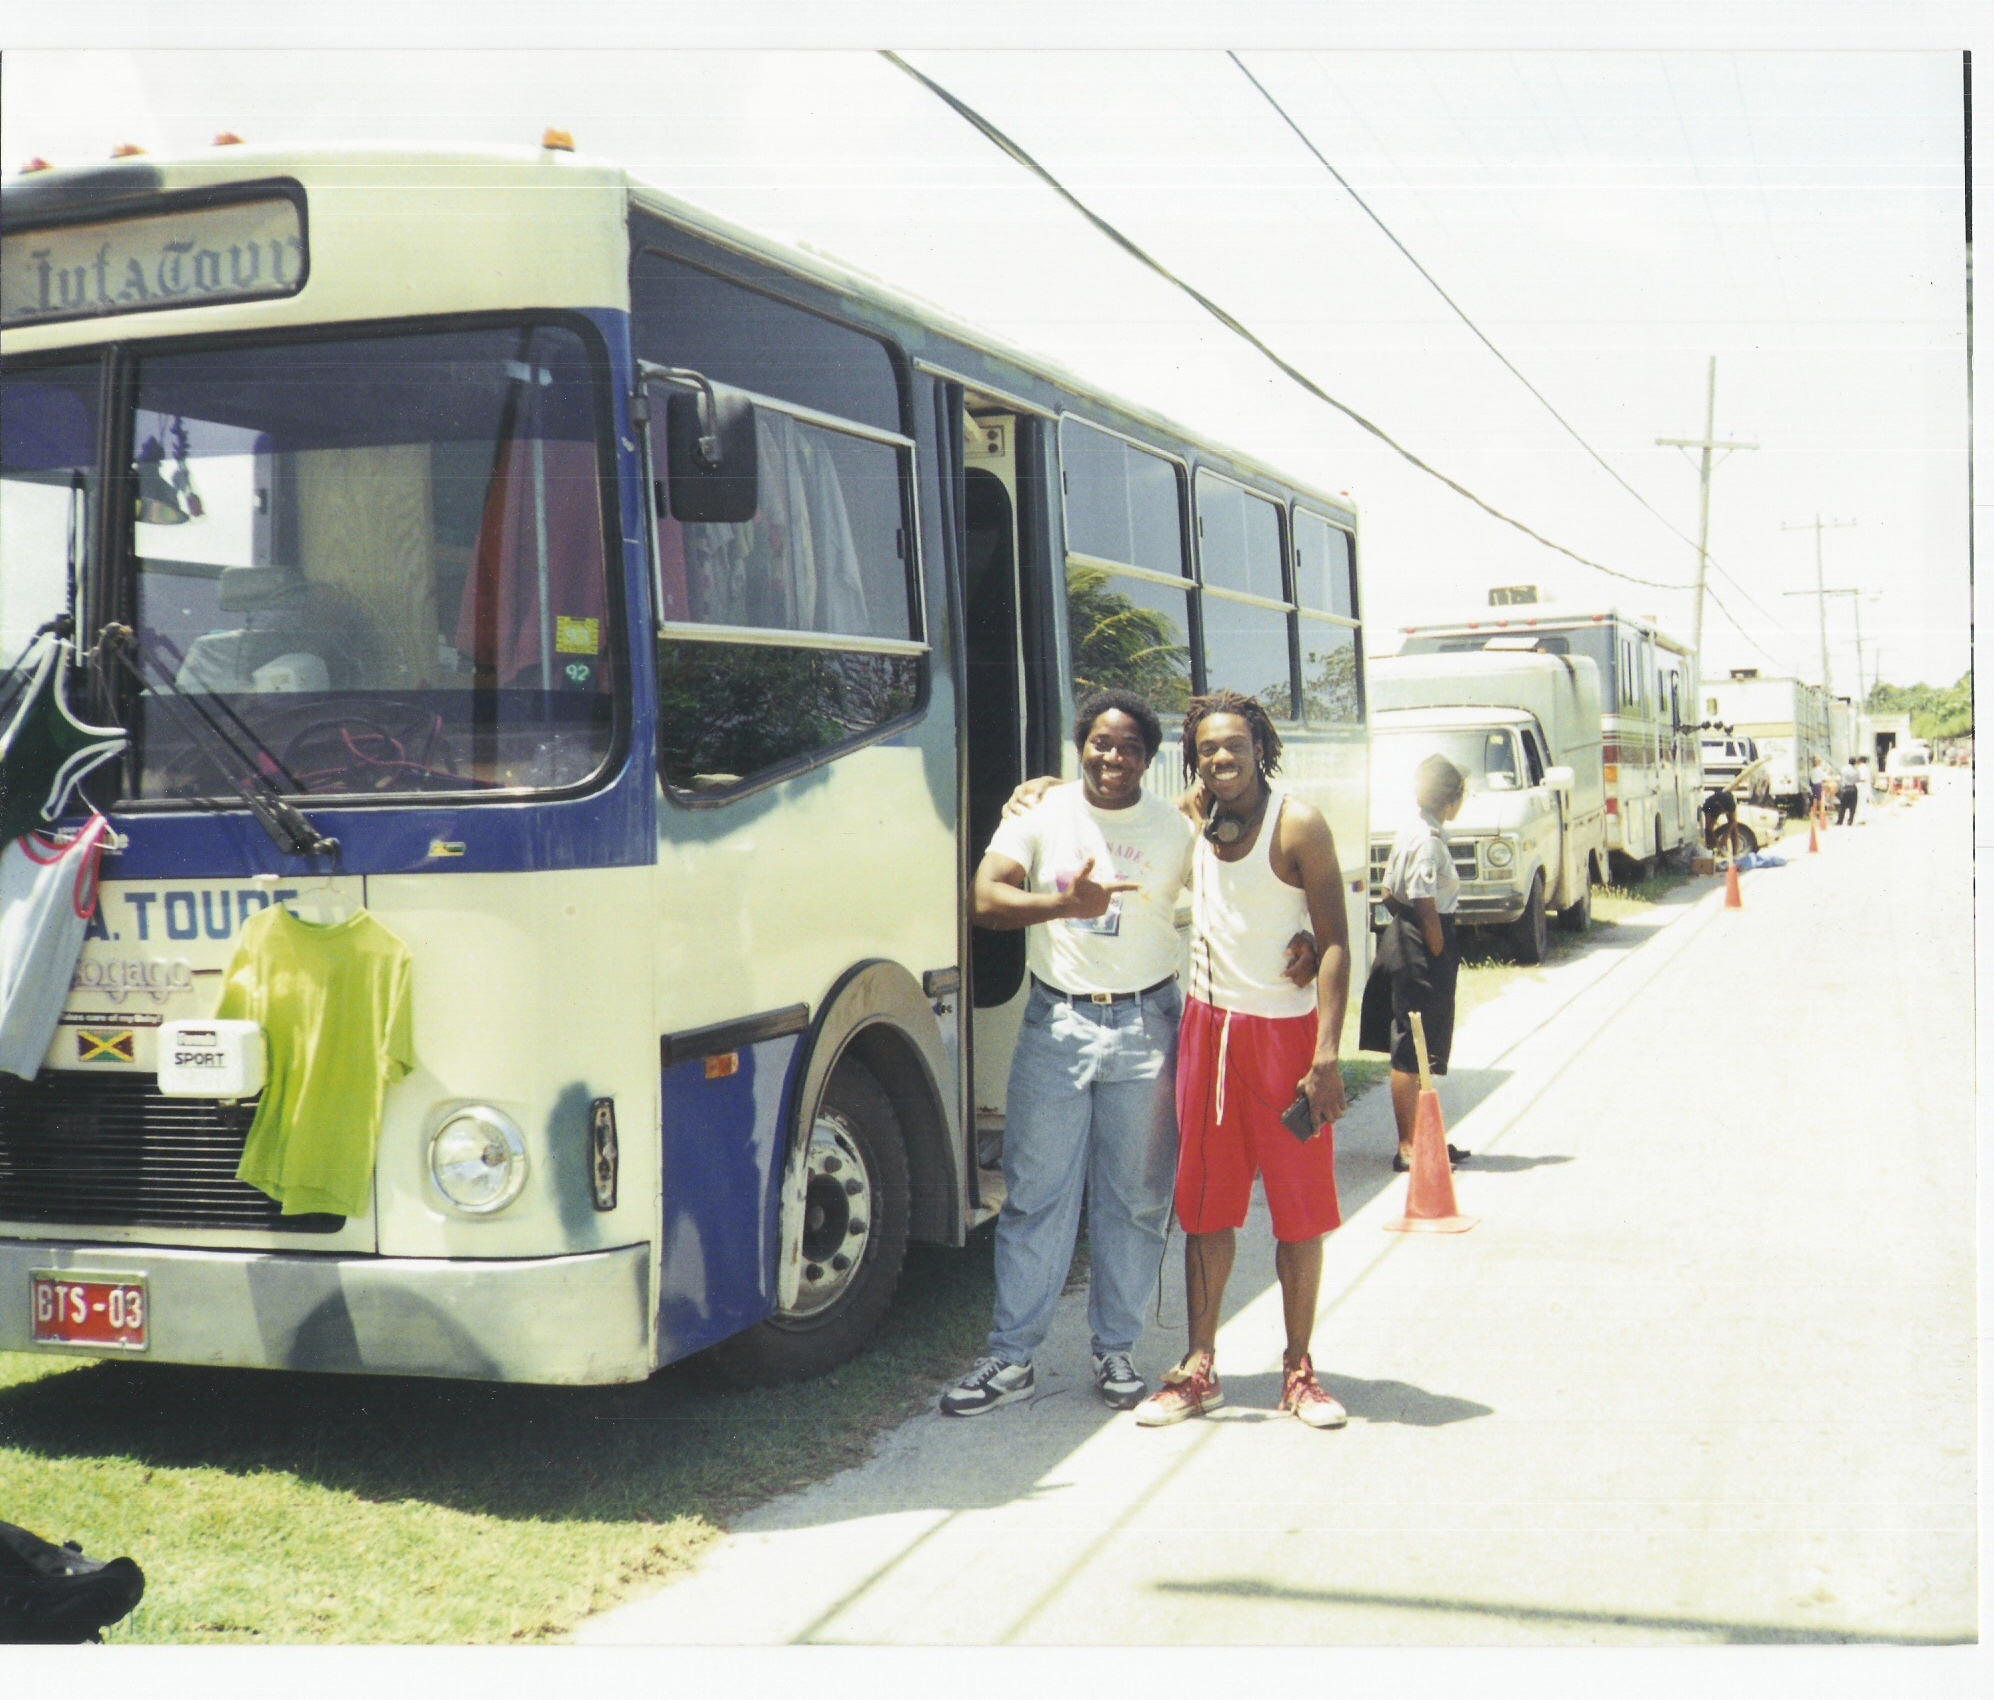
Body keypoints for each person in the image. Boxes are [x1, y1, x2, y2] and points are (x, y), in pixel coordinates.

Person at [941, 691, 1315, 1417]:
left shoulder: (1180, 829)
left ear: (1152, 760)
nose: (1113, 758)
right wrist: (1063, 907)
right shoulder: (1041, 814)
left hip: (1149, 1027)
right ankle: (1011, 1358)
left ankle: (1116, 1349)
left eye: (1130, 749)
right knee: (1035, 1199)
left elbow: (1251, 885)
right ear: (1079, 745)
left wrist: (1301, 934)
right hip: (1057, 1026)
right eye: (1101, 744)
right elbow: (985, 899)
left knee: (1136, 1202)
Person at [1132, 691, 1354, 1432]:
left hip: (1287, 1044)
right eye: (1206, 749)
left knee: (1298, 1213)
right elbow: (1101, 806)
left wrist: (1326, 1056)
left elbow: (1334, 943)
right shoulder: (1189, 819)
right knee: (1206, 1208)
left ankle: (1298, 1370)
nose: (1221, 758)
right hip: (1210, 1034)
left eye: (1234, 745)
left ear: (1260, 745)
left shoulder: (1298, 824)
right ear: (1192, 758)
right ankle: (1199, 1366)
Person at [1366, 755, 1469, 1175]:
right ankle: (1408, 1144)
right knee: (1412, 1048)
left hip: (1405, 936)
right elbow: (1424, 899)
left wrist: (1409, 925)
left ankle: (1426, 1137)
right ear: (1452, 798)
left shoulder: (1412, 829)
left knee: (1422, 1047)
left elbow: (1389, 892)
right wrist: (1437, 947)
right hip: (1422, 945)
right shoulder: (1427, 839)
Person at [1701, 784, 1740, 859]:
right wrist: (1717, 843)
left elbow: (1732, 822)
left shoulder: (1730, 803)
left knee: (1734, 829)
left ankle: (1735, 855)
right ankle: (1711, 853)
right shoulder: (1708, 805)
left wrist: (1725, 836)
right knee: (1708, 832)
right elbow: (1708, 827)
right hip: (1712, 807)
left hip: (1727, 801)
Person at [1836, 757, 1859, 826]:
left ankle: (1840, 821)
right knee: (1853, 807)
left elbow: (1841, 777)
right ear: (1854, 762)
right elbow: (1857, 779)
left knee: (1842, 806)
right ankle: (1850, 821)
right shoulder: (1856, 771)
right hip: (1853, 788)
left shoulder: (1844, 769)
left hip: (1845, 788)